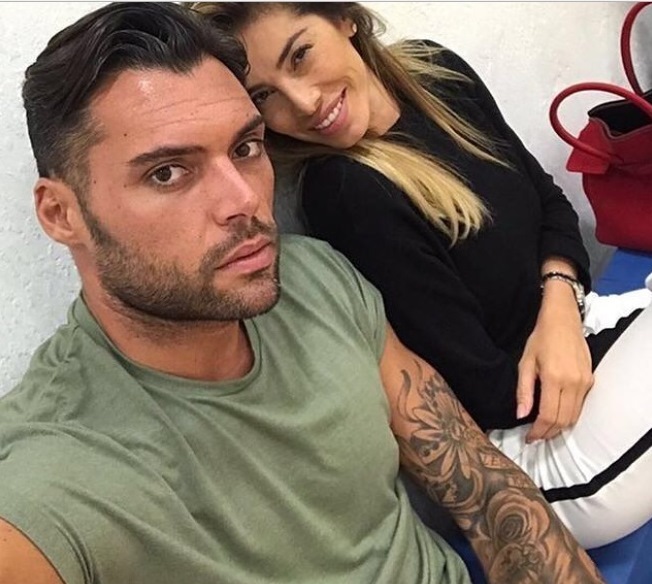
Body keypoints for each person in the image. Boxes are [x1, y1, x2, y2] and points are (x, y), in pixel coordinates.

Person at [0, 3, 606, 584]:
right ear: (60, 214)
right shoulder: (55, 478)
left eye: (246, 148)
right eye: (167, 172)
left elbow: (490, 494)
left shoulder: (315, 280)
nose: (243, 200)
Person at [192, 2, 652, 548]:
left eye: (301, 56)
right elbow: (486, 394)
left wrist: (560, 307)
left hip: (577, 334)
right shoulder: (348, 192)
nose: (304, 102)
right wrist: (566, 329)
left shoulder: (438, 76)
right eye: (264, 96)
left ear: (344, 19)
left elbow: (551, 203)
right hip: (533, 446)